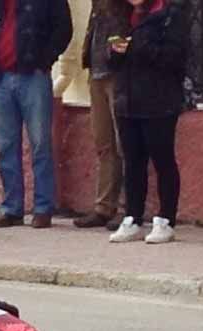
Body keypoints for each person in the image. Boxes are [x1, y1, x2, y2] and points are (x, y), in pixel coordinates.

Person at [0, 0, 72, 229]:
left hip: (33, 76)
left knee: (40, 144)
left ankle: (43, 208)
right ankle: (11, 208)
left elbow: (63, 28)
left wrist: (44, 59)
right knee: (6, 145)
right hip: (0, 78)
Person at [107, 0, 190, 245]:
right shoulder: (123, 15)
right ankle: (132, 217)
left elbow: (175, 57)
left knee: (162, 160)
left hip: (159, 101)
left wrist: (139, 46)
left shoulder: (170, 15)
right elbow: (114, 63)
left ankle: (166, 219)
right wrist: (115, 52)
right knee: (132, 162)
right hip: (128, 101)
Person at [74, 1, 128, 230]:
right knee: (103, 142)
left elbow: (126, 25)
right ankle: (104, 206)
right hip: (97, 70)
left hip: (118, 72)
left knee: (124, 142)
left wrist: (118, 50)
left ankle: (129, 208)